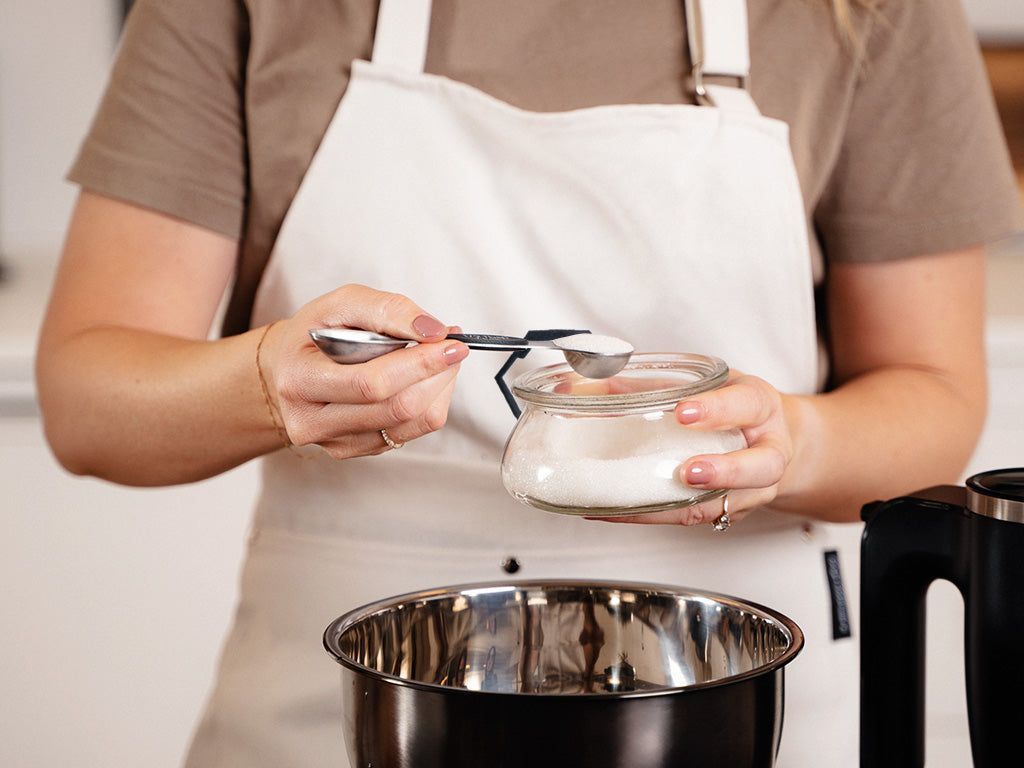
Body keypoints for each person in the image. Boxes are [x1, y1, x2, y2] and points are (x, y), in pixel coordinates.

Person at [36, 0, 1021, 765]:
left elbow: (930, 399)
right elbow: (89, 402)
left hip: (743, 712)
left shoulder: (862, 12)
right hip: (339, 712)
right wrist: (264, 383)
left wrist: (795, 447)